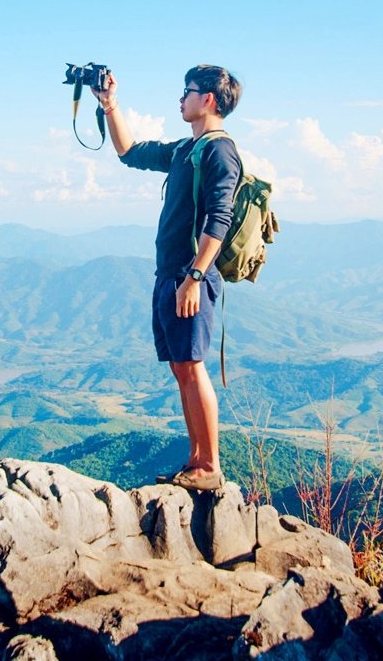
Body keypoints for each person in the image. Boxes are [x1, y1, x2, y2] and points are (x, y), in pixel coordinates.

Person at [94, 65, 242, 491]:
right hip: (171, 276)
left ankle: (209, 465)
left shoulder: (219, 152)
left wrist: (195, 275)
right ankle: (196, 461)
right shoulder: (185, 149)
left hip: (189, 277)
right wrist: (110, 104)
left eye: (188, 92)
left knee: (193, 367)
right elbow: (130, 152)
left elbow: (220, 217)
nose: (181, 99)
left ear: (209, 100)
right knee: (182, 368)